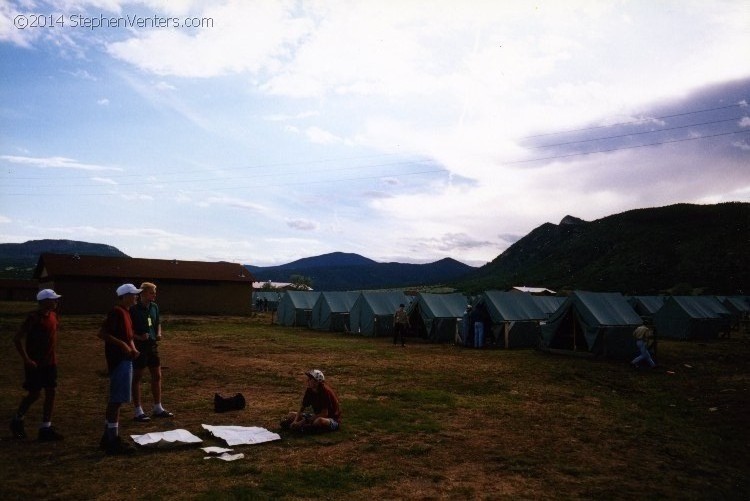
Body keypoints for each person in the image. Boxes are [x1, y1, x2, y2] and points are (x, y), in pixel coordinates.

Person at [10, 289, 64, 441]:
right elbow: (17, 339)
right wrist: (26, 359)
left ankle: (46, 427)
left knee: (51, 391)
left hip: (50, 363)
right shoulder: (33, 318)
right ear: (43, 301)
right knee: (34, 394)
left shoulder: (54, 316)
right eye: (53, 299)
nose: (56, 302)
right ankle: (17, 419)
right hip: (35, 364)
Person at [97, 283, 141, 455]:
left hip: (125, 358)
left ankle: (107, 436)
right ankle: (112, 440)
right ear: (125, 296)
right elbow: (103, 333)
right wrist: (123, 345)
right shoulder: (116, 312)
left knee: (118, 399)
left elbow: (128, 336)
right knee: (116, 400)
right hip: (118, 360)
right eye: (134, 294)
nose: (136, 297)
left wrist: (132, 346)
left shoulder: (127, 313)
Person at [130, 282, 173, 422]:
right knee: (137, 377)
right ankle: (138, 411)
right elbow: (127, 330)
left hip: (152, 346)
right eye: (151, 292)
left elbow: (157, 323)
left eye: (154, 292)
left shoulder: (154, 307)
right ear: (142, 293)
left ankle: (157, 407)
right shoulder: (133, 309)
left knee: (157, 375)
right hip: (138, 347)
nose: (154, 295)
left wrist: (158, 333)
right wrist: (138, 337)